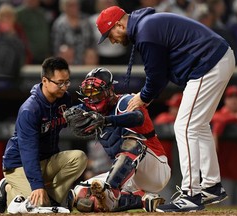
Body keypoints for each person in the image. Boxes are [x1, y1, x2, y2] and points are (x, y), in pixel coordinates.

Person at [95, 5, 235, 212]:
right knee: (197, 126)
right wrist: (146, 97)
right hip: (217, 59)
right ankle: (212, 185)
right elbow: (162, 72)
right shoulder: (146, 26)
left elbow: (157, 76)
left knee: (184, 127)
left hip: (208, 63)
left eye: (110, 34)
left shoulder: (145, 31)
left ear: (119, 24)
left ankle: (191, 194)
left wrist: (143, 97)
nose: (112, 40)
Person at [0, 57, 87, 213]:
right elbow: (28, 151)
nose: (64, 87)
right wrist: (37, 185)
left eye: (67, 82)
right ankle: (7, 189)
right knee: (36, 208)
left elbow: (73, 118)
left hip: (47, 160)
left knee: (79, 157)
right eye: (60, 83)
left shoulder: (64, 98)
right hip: (19, 164)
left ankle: (53, 200)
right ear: (45, 80)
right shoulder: (30, 110)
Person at [69, 67, 171, 212]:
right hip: (127, 177)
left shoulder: (125, 101)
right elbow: (69, 113)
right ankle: (143, 200)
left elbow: (137, 117)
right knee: (81, 193)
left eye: (97, 92)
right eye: (89, 93)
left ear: (110, 90)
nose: (93, 98)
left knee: (132, 142)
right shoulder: (89, 112)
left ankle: (110, 192)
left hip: (154, 168)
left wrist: (106, 120)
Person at [154, 93, 183, 202]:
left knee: (179, 196)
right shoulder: (164, 117)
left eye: (175, 107)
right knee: (165, 197)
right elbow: (161, 122)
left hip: (179, 167)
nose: (172, 109)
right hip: (164, 165)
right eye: (172, 106)